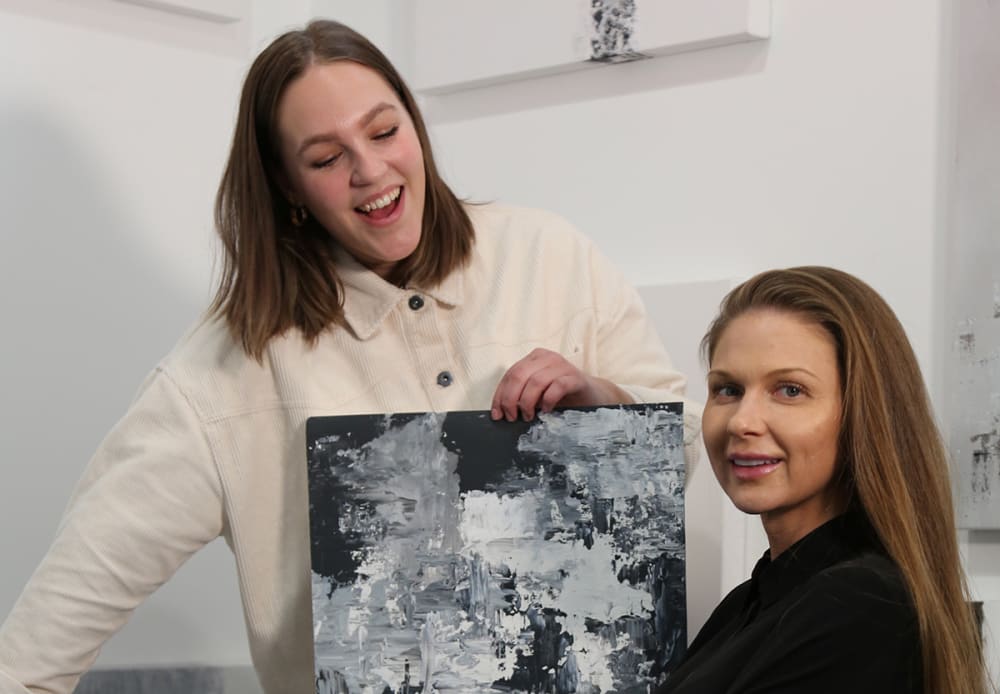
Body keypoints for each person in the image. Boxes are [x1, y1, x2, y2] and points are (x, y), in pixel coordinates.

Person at [0, 19, 697, 694]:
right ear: (287, 186)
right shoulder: (223, 374)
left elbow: (689, 446)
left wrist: (610, 411)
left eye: (385, 131)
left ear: (416, 126)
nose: (371, 170)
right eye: (327, 159)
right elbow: (37, 649)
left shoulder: (551, 256)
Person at [656, 266, 986, 694]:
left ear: (862, 415)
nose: (742, 421)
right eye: (728, 390)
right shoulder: (750, 602)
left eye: (789, 390)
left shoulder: (860, 605)